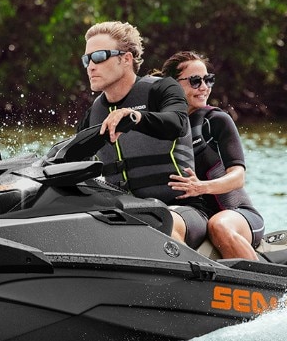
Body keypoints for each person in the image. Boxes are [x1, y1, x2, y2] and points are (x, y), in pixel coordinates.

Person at [77, 22, 208, 249]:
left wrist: (135, 117)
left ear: (126, 59)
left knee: (159, 221)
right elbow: (71, 159)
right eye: (87, 59)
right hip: (128, 213)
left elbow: (177, 122)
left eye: (98, 56)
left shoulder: (162, 89)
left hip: (182, 210)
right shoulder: (94, 113)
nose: (91, 66)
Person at [160, 51, 264, 261]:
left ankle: (260, 286)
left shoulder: (216, 120)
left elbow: (238, 177)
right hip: (194, 218)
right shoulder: (159, 125)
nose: (204, 87)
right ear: (171, 85)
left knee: (218, 225)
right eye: (195, 81)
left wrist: (201, 187)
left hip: (236, 214)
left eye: (208, 80)